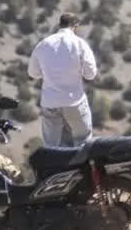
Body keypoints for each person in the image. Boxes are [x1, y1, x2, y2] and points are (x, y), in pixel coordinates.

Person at [28, 13, 98, 147]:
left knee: (52, 145)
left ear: (59, 25)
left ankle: (55, 167)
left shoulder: (43, 44)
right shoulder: (80, 44)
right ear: (75, 26)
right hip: (74, 101)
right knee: (83, 142)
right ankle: (82, 167)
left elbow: (33, 73)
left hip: (50, 101)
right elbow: (90, 74)